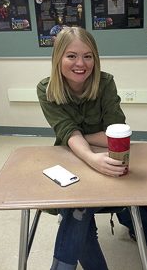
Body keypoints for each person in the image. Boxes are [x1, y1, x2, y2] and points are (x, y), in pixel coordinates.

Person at [37, 27, 129, 270]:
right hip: (73, 161)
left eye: (88, 56)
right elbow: (66, 129)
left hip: (104, 162)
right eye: (71, 56)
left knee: (77, 209)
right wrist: (89, 154)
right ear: (58, 58)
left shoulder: (106, 82)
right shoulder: (46, 89)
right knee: (79, 209)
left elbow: (115, 132)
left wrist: (74, 138)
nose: (81, 63)